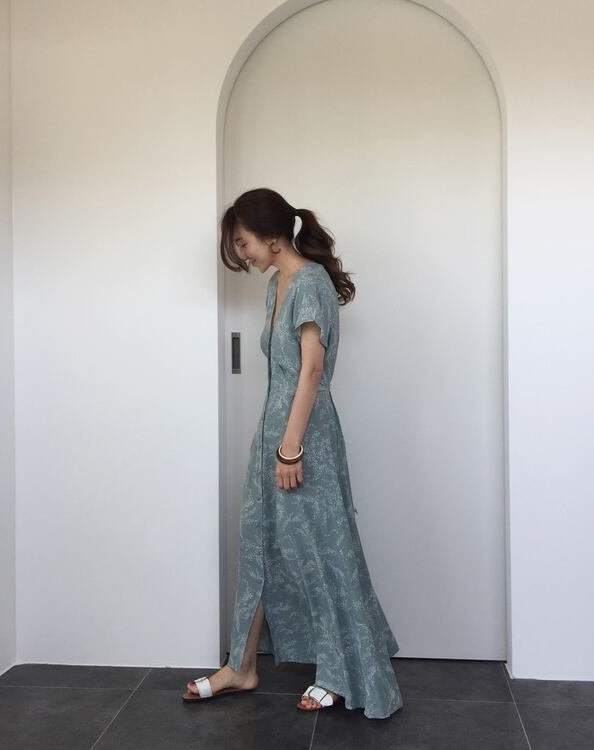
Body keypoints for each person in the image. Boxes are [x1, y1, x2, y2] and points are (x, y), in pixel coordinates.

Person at [183, 188, 403, 719]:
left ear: (272, 236)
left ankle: (339, 672)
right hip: (274, 436)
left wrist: (290, 448)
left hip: (304, 441)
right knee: (260, 545)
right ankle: (241, 665)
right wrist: (273, 442)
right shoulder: (276, 285)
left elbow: (311, 371)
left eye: (244, 242)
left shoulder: (311, 283)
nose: (243, 254)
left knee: (321, 552)